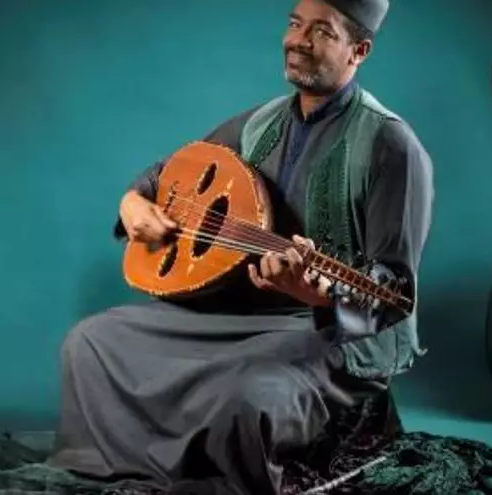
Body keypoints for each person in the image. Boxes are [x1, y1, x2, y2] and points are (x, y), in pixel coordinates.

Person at [50, 0, 434, 493]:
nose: (297, 40)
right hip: (236, 317)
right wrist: (132, 202)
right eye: (295, 24)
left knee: (247, 396)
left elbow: (393, 291)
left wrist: (318, 296)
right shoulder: (259, 123)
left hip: (327, 336)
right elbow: (166, 174)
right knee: (90, 342)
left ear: (358, 51)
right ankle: (127, 469)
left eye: (321, 31)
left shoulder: (391, 146)